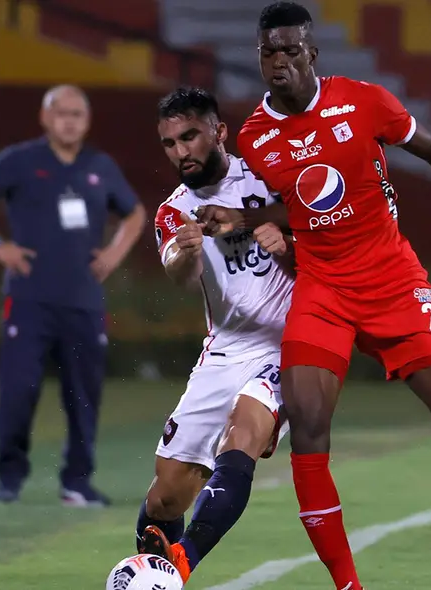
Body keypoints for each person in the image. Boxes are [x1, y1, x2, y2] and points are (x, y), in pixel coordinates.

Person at [193, 3, 431, 589]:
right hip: (322, 290)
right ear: (259, 60)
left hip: (393, 281)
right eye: (270, 52)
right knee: (310, 437)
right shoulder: (256, 137)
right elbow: (287, 208)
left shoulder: (364, 101)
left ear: (312, 54)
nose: (280, 61)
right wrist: (242, 217)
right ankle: (349, 586)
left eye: (291, 49)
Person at [0, 84, 146, 507]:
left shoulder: (100, 166)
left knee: (84, 396)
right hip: (29, 298)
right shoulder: (21, 160)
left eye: (77, 114)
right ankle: (10, 478)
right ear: (45, 118)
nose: (69, 120)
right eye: (61, 112)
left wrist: (114, 253)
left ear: (87, 121)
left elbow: (135, 212)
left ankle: (76, 483)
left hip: (83, 300)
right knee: (18, 392)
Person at [135, 87, 295, 584]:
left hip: (289, 343)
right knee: (165, 496)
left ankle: (181, 567)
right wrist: (187, 252)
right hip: (223, 350)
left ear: (218, 132)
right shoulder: (174, 211)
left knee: (240, 437)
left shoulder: (268, 180)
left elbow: (322, 227)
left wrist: (286, 241)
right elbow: (179, 275)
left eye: (189, 136)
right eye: (169, 143)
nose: (180, 152)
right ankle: (153, 571)